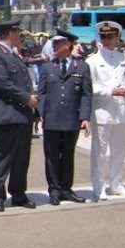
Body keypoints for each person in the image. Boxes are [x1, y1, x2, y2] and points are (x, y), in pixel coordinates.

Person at [0, 20, 38, 212]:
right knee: (3, 157)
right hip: (7, 114)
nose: (20, 37)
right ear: (10, 34)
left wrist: (32, 104)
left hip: (23, 115)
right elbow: (4, 83)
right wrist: (27, 99)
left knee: (21, 157)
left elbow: (24, 82)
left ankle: (18, 193)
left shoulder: (14, 55)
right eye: (18, 33)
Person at [37, 29, 92, 205]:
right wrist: (41, 113)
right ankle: (54, 190)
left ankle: (66, 189)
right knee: (51, 156)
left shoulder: (82, 67)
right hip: (52, 119)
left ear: (67, 45)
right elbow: (42, 92)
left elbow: (86, 95)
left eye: (57, 43)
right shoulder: (47, 67)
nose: (53, 46)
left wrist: (84, 117)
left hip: (71, 119)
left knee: (68, 155)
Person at [87, 21, 125, 201]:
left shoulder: (123, 58)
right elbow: (89, 87)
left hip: (120, 110)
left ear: (118, 38)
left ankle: (116, 184)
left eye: (110, 37)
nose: (107, 40)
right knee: (99, 152)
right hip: (102, 112)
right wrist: (110, 91)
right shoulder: (93, 60)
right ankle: (98, 186)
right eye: (103, 37)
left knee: (119, 151)